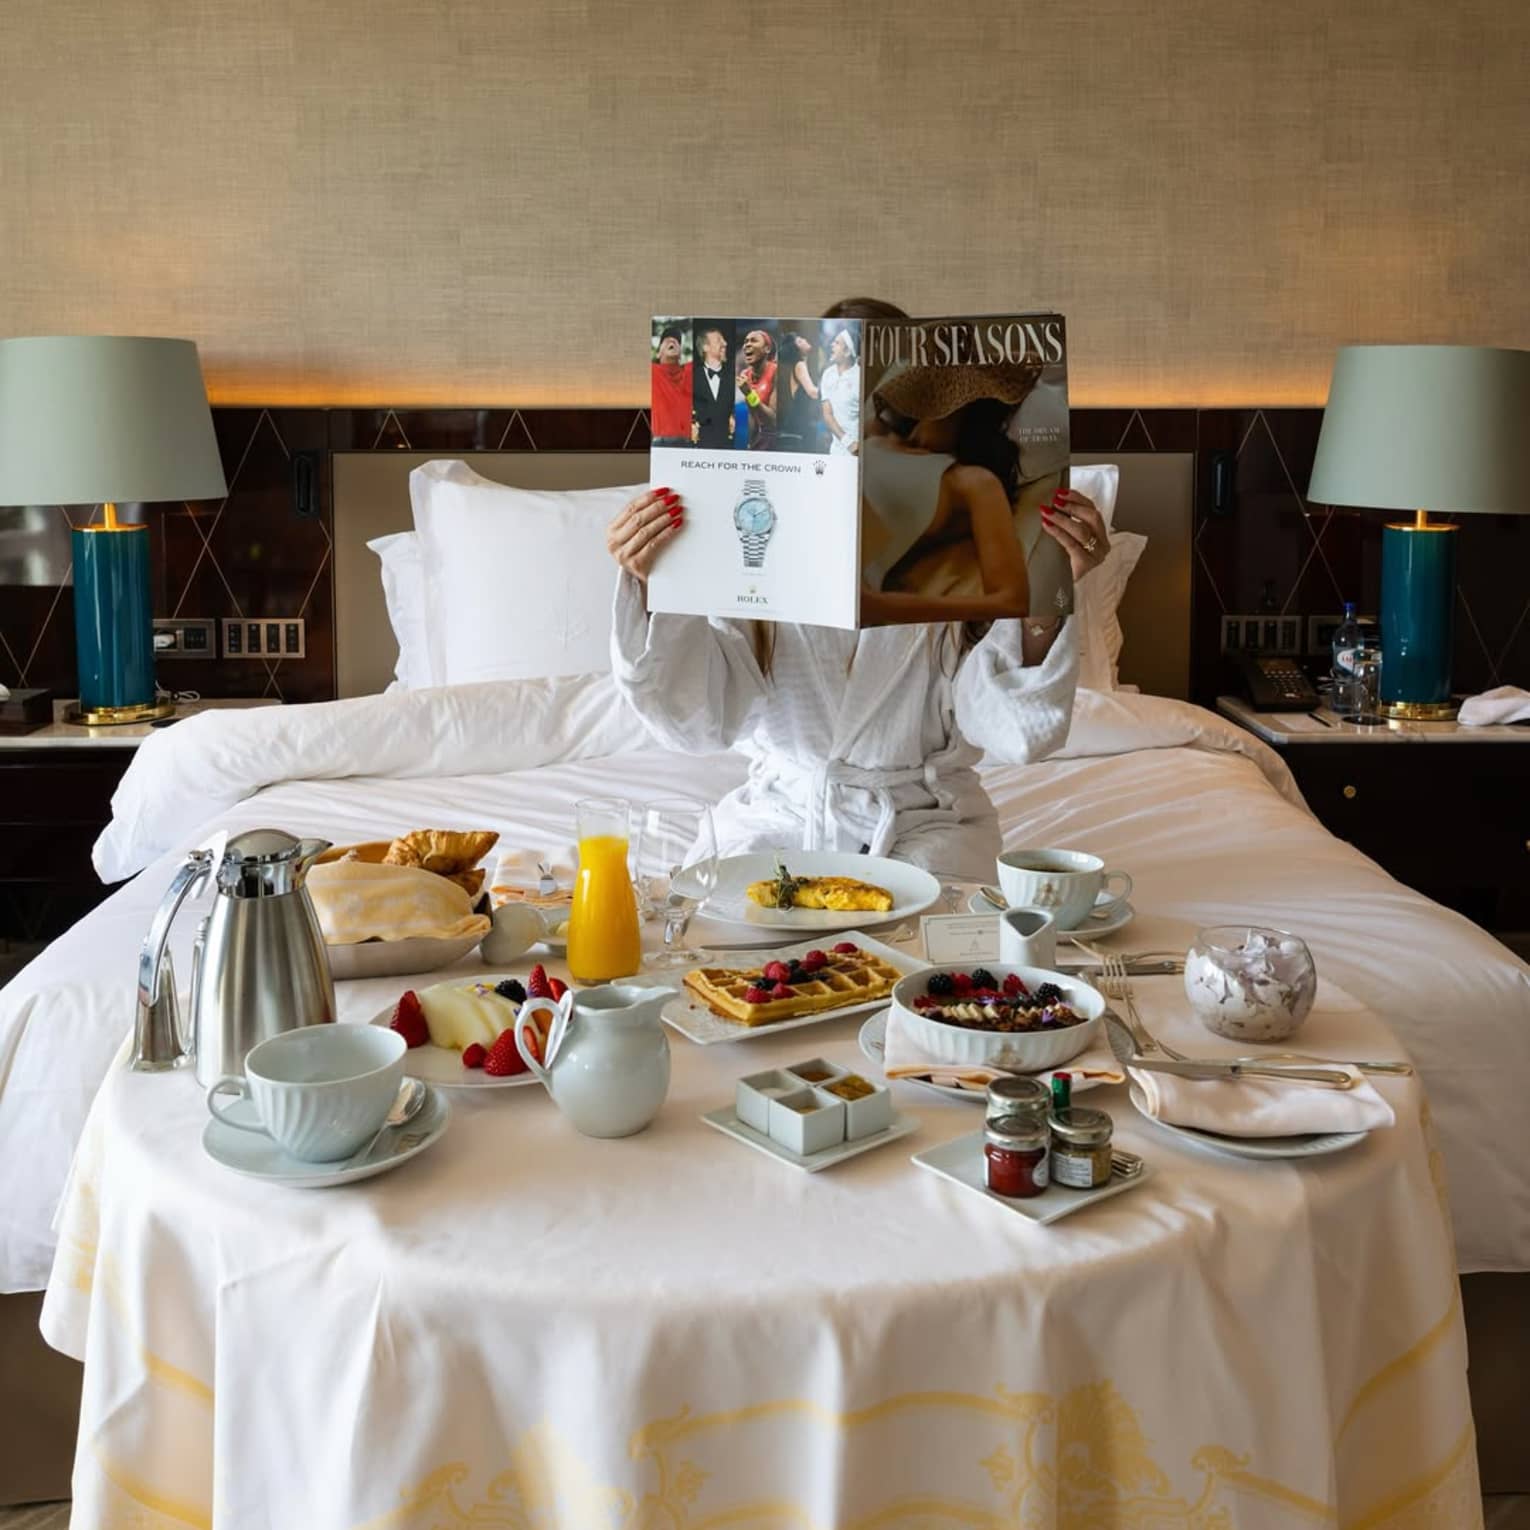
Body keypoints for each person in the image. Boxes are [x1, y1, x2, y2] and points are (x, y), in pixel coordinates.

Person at [605, 298, 1109, 881]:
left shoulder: (972, 488)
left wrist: (1053, 590)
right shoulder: (762, 516)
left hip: (926, 822)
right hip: (781, 814)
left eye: (914, 410)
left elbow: (1012, 727)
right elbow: (695, 721)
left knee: (939, 953)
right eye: (886, 413)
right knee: (716, 940)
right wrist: (652, 583)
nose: (900, 431)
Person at [776, 331, 823, 452]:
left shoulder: (801, 365)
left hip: (800, 421)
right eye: (800, 341)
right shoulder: (800, 365)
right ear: (797, 349)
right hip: (798, 424)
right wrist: (833, 392)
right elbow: (812, 392)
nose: (804, 339)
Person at [819, 327, 861, 455]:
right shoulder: (827, 374)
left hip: (859, 451)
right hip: (837, 451)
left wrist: (857, 447)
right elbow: (827, 414)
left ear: (847, 351)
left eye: (837, 343)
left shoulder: (860, 376)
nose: (832, 345)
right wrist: (848, 442)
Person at [736, 329, 778, 449]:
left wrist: (749, 394)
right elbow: (752, 414)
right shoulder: (746, 374)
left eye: (754, 341)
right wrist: (750, 443)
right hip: (759, 437)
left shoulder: (776, 371)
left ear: (767, 349)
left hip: (775, 438)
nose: (747, 344)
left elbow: (773, 420)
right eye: (746, 341)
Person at [650, 325, 692, 446]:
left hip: (688, 445)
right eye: (666, 339)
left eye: (677, 341)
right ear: (658, 353)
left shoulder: (690, 372)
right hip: (660, 443)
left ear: (680, 355)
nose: (672, 340)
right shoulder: (652, 372)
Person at [692, 324, 733, 448]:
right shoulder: (690, 378)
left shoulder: (734, 377)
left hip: (728, 448)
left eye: (724, 340)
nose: (725, 343)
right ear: (705, 347)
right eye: (719, 340)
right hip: (699, 448)